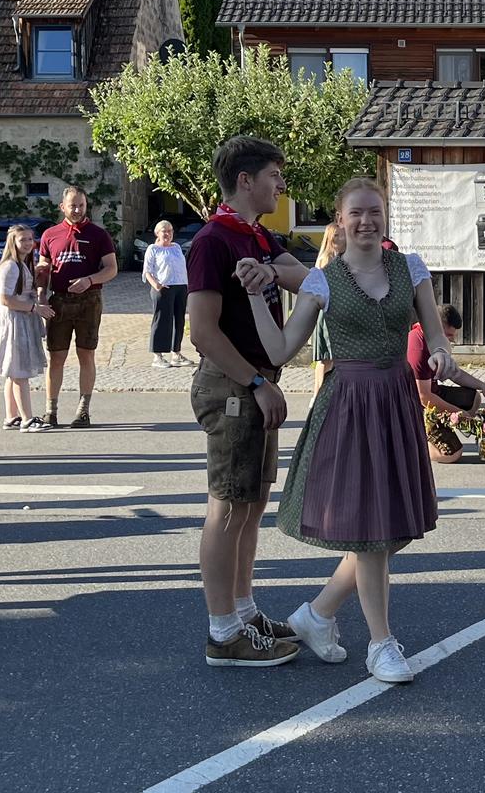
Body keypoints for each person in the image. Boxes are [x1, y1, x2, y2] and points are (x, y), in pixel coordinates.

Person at [240, 176, 458, 685]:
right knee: (374, 529)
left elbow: (432, 333)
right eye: (355, 212)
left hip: (397, 402)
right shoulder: (323, 281)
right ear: (340, 220)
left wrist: (444, 354)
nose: (366, 220)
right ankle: (380, 644)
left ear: (386, 217)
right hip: (350, 406)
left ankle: (317, 616)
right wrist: (255, 295)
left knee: (386, 528)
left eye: (374, 211)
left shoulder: (412, 268)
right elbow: (279, 351)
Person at [187, 137, 311, 668]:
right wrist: (258, 385)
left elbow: (311, 279)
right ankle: (222, 633)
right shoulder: (215, 240)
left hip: (259, 384)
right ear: (245, 180)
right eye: (274, 175)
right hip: (235, 385)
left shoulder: (257, 236)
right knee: (229, 504)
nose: (281, 185)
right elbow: (202, 330)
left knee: (253, 503)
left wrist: (270, 271)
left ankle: (243, 612)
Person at [36, 186, 118, 429]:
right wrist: (40, 296)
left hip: (89, 301)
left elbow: (111, 269)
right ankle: (51, 410)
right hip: (59, 301)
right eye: (72, 205)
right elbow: (43, 270)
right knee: (56, 357)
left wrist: (90, 280)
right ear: (62, 207)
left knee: (86, 354)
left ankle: (83, 410)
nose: (77, 209)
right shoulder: (50, 234)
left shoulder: (99, 235)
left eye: (81, 205)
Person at [411, 303, 485, 464]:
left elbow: (454, 373)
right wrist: (458, 413)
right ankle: (415, 441)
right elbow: (423, 397)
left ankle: (444, 428)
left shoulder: (435, 342)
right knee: (451, 455)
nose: (451, 340)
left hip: (434, 392)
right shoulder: (417, 346)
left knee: (474, 398)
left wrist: (483, 386)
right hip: (415, 406)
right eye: (448, 335)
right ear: (435, 326)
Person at [0, 224, 51, 429]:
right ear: (12, 242)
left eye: (30, 240)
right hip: (12, 319)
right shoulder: (10, 266)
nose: (28, 244)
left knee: (13, 371)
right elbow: (5, 299)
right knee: (19, 371)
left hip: (20, 317)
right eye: (23, 240)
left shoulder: (22, 264)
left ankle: (11, 416)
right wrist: (35, 308)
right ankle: (27, 419)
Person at [145, 220, 192, 369]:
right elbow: (147, 271)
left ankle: (176, 353)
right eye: (164, 231)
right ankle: (157, 355)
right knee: (162, 321)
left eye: (170, 231)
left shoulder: (177, 247)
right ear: (157, 233)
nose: (167, 234)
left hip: (180, 286)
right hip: (163, 288)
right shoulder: (153, 249)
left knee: (179, 321)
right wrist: (156, 285)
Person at [310, 222, 345, 396]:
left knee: (330, 358)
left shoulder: (341, 256)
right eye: (336, 235)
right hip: (327, 313)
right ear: (329, 238)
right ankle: (319, 396)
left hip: (335, 312)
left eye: (342, 235)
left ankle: (320, 396)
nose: (340, 238)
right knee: (326, 358)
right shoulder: (327, 259)